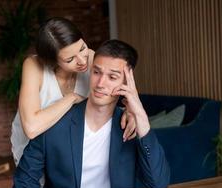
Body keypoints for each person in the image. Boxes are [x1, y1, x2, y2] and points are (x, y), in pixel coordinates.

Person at [10, 40, 170, 188]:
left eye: (112, 77)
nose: (100, 83)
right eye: (96, 72)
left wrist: (140, 116)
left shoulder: (130, 127)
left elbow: (158, 183)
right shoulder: (55, 124)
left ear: (127, 83)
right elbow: (24, 186)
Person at [11, 17, 136, 165]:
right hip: (33, 153)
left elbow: (122, 84)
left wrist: (129, 109)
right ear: (52, 61)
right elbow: (32, 128)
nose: (82, 61)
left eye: (82, 48)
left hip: (70, 151)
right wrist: (71, 98)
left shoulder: (90, 57)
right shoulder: (34, 66)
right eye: (70, 59)